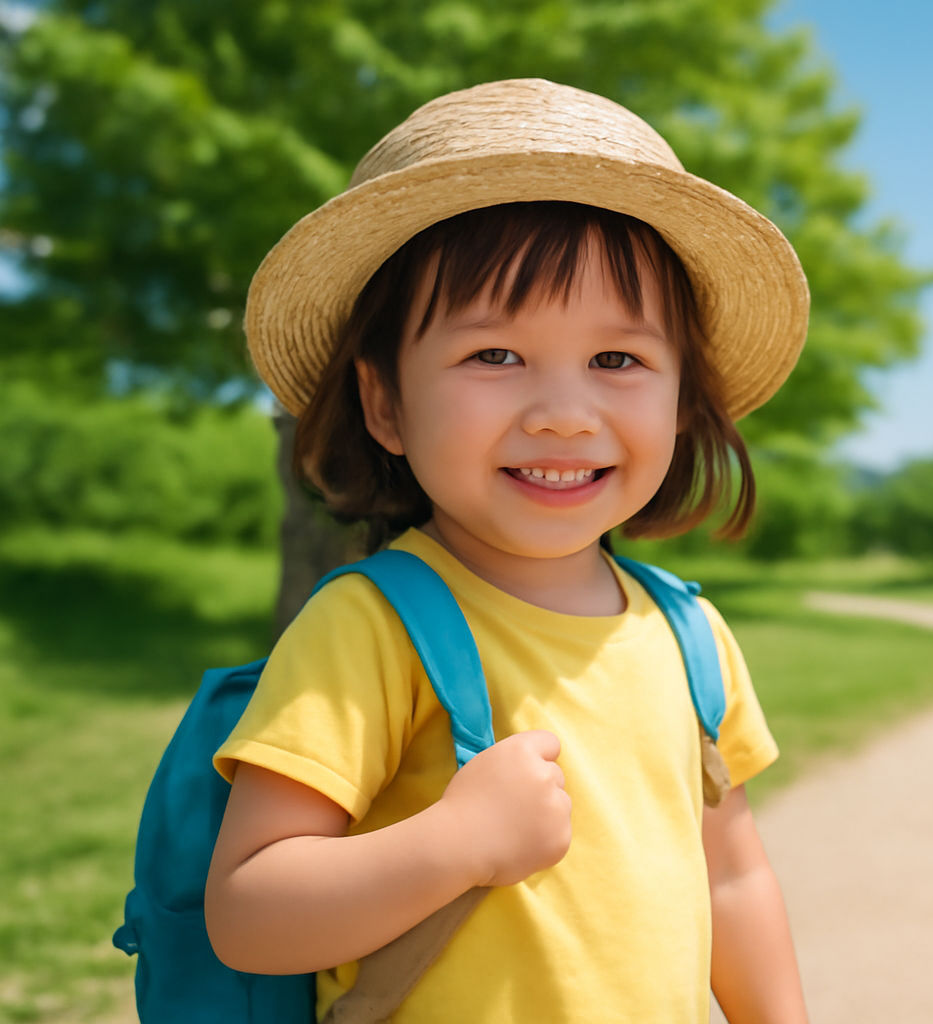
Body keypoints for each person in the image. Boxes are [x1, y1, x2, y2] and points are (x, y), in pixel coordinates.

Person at [202, 79, 812, 1024]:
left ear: (682, 401)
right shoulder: (373, 626)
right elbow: (249, 913)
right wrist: (456, 842)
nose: (565, 416)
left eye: (619, 360)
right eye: (494, 356)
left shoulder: (689, 633)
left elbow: (731, 876)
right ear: (386, 405)